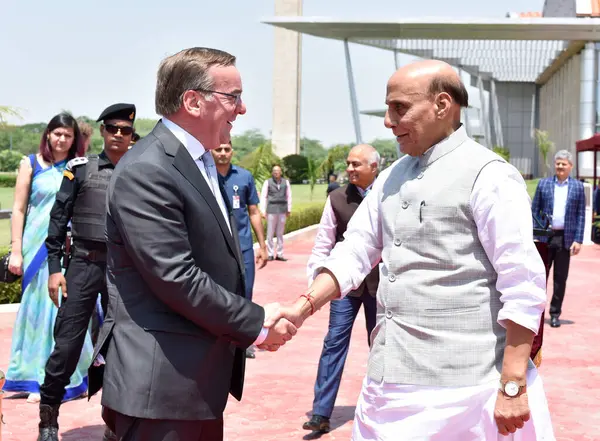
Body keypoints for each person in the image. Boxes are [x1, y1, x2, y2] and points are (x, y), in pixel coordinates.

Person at [278, 60, 555, 440]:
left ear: (443, 105)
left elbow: (523, 283)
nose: (389, 121)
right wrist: (302, 307)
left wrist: (512, 384)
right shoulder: (392, 176)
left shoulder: (489, 175)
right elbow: (354, 250)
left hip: (470, 390)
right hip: (390, 381)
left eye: (400, 108)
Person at [89, 47, 296, 441]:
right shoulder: (149, 169)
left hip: (191, 383)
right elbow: (175, 276)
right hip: (159, 388)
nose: (242, 109)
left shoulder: (194, 163)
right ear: (192, 101)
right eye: (232, 97)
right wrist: (256, 324)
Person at [37, 103, 136, 441]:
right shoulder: (81, 169)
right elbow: (57, 222)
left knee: (123, 348)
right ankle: (48, 419)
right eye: (113, 129)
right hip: (81, 265)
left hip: (123, 272)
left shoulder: (141, 173)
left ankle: (114, 421)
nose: (118, 135)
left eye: (125, 130)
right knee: (66, 346)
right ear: (104, 131)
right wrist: (54, 270)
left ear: (132, 135)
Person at [4, 113, 89, 404]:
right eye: (58, 134)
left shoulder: (79, 167)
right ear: (48, 135)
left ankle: (64, 376)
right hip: (35, 246)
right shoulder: (30, 164)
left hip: (68, 248)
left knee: (64, 310)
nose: (62, 139)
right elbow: (18, 209)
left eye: (68, 135)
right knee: (36, 311)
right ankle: (32, 375)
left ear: (74, 139)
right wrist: (16, 249)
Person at [303, 144, 380, 433]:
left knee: (381, 347)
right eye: (348, 164)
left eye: (356, 164)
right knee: (334, 343)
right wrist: (318, 286)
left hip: (380, 288)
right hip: (345, 288)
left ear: (374, 167)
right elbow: (324, 242)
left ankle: (378, 409)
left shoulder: (387, 195)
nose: (349, 169)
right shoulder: (336, 198)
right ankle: (321, 413)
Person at [212, 139, 269, 359]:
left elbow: (254, 212)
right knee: (217, 293)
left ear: (232, 152)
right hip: (217, 247)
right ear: (212, 151)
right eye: (219, 149)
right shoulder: (206, 176)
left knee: (245, 294)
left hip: (243, 247)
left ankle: (244, 342)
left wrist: (262, 246)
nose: (223, 153)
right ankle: (219, 339)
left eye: (227, 149)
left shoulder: (244, 177)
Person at [532, 150, 586, 328]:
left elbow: (580, 215)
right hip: (544, 238)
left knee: (560, 279)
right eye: (558, 163)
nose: (560, 166)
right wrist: (535, 235)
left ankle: (555, 313)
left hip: (565, 238)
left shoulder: (578, 187)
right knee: (540, 277)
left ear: (571, 166)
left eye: (564, 163)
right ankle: (536, 314)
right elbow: (534, 211)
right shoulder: (543, 184)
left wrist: (578, 239)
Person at [260, 164, 292, 261]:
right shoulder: (268, 182)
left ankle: (279, 254)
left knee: (280, 233)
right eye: (274, 171)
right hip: (271, 210)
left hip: (282, 210)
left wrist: (289, 209)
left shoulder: (286, 182)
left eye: (278, 171)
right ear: (272, 172)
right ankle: (270, 253)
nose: (276, 172)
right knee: (270, 233)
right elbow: (263, 196)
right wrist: (263, 210)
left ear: (281, 172)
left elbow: (288, 196)